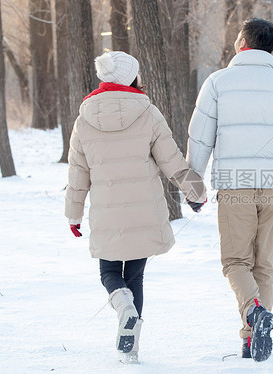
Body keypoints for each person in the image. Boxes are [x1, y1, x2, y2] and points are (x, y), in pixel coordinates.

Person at [186, 18, 273, 362]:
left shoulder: (218, 83)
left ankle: (254, 313)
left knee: (235, 262)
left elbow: (200, 139)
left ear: (242, 41)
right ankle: (251, 340)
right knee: (265, 266)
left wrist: (192, 187)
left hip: (235, 186)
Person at [64, 51, 206, 364]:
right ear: (131, 77)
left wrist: (73, 214)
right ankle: (132, 348)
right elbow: (172, 160)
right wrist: (195, 192)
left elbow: (77, 174)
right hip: (145, 212)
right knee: (136, 278)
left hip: (106, 212)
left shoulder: (83, 118)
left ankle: (121, 305)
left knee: (110, 272)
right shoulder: (148, 112)